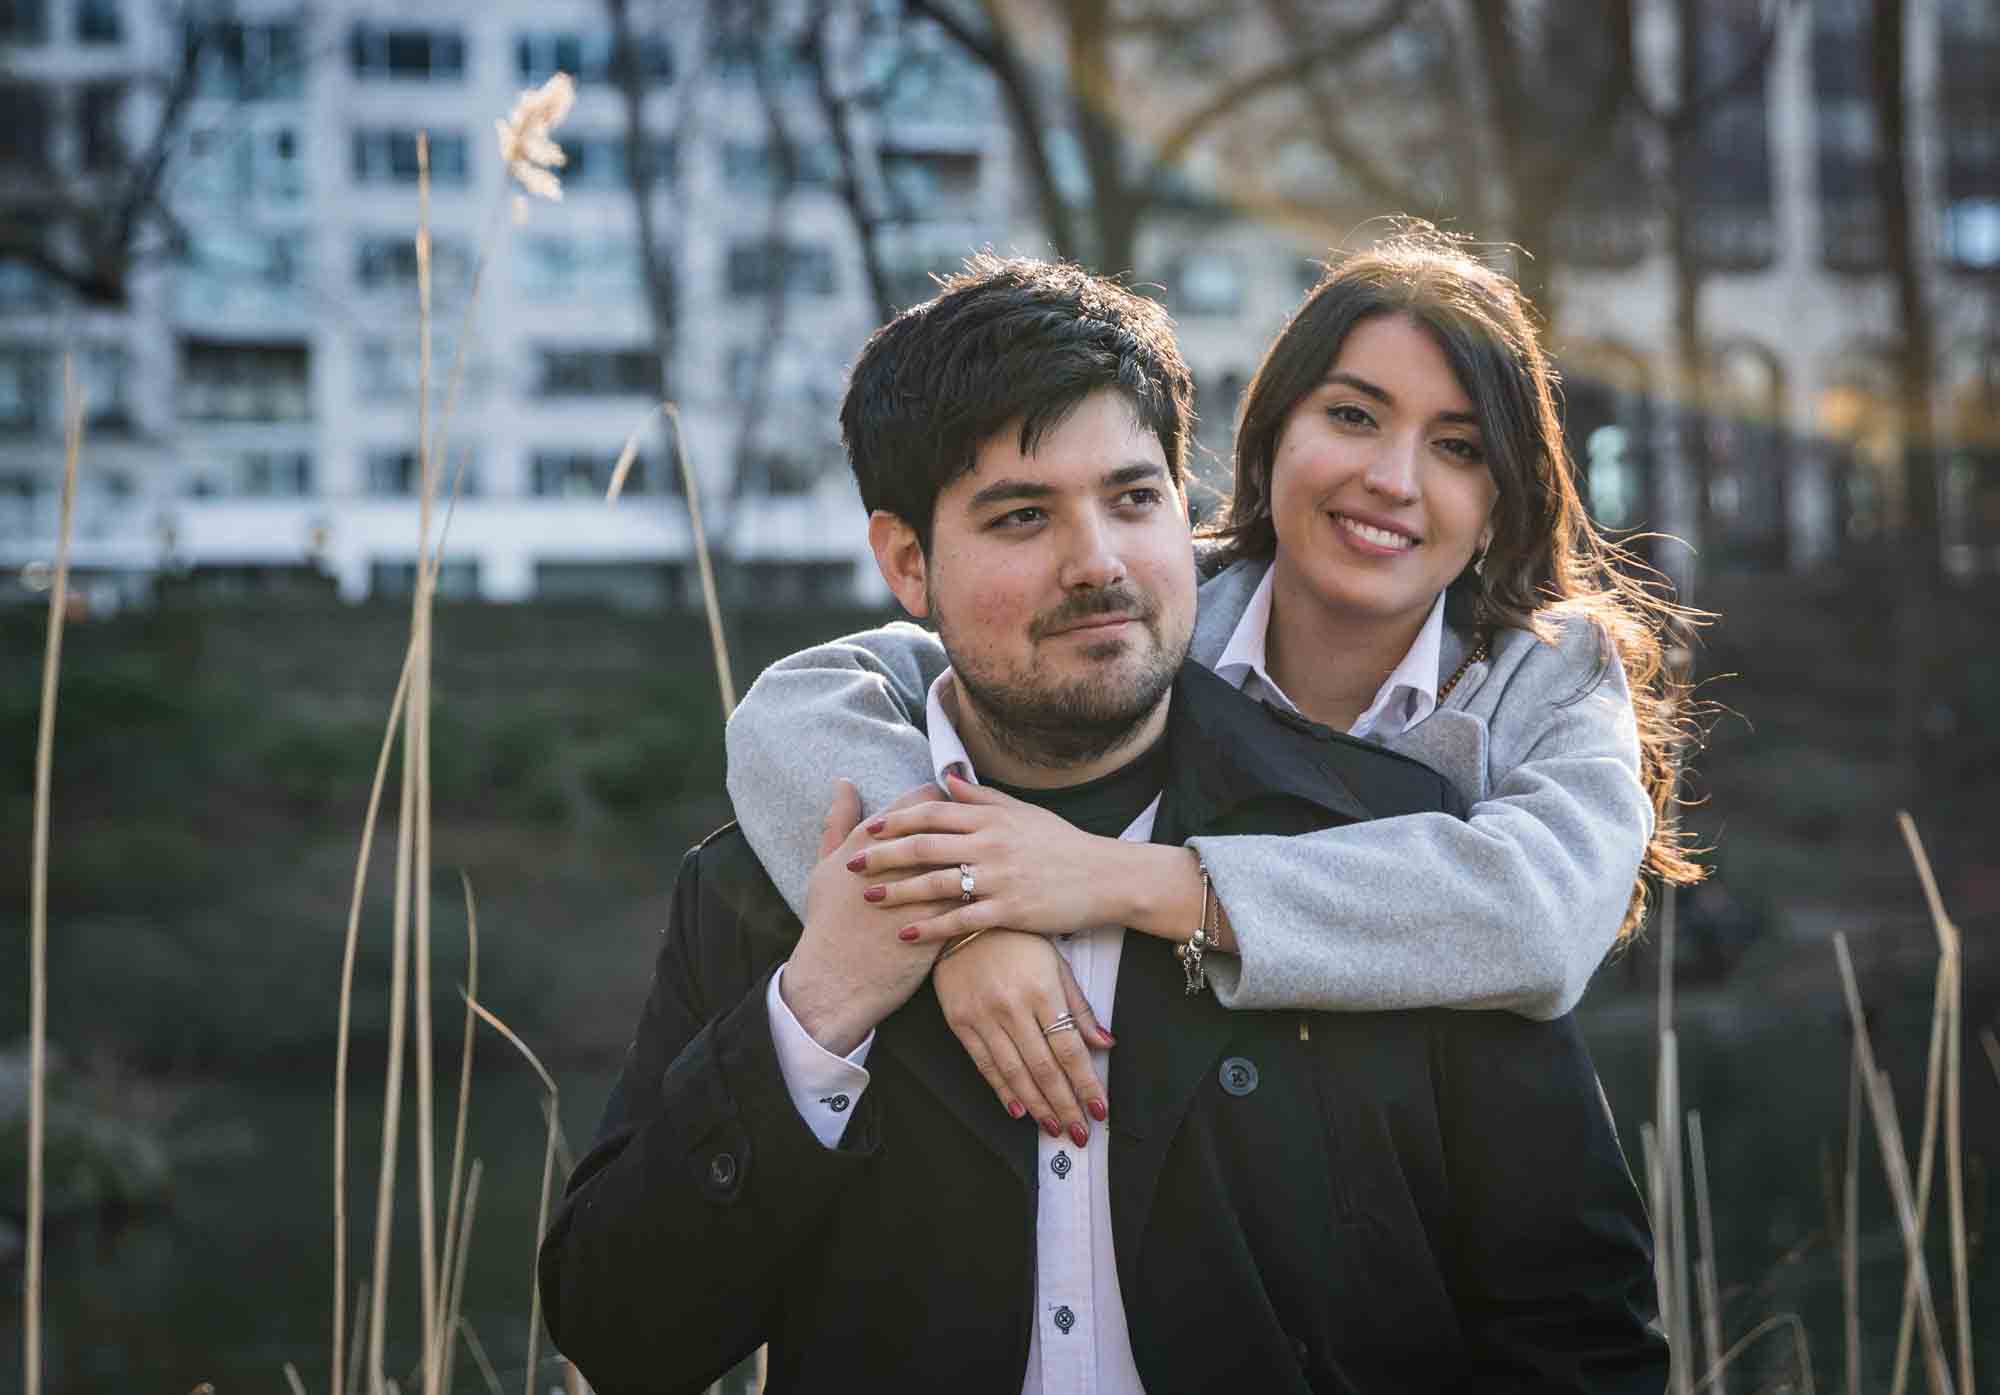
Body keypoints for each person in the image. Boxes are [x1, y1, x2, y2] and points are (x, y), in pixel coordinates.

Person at [540, 254, 1665, 1393]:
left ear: (1183, 510)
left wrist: (1153, 888)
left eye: (1133, 500)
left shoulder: (1397, 849)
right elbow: (619, 1334)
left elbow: (1576, 1335)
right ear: (906, 563)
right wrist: (829, 1002)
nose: (1098, 565)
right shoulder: (774, 884)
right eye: (1022, 516)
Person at [724, 228, 1699, 1147]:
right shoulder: (1147, 611)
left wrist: (1122, 880)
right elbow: (802, 705)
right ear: (1268, 438)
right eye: (1352, 416)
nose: (1392, 479)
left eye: (1457, 446)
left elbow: (1534, 920)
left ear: (1496, 504)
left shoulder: (1550, 676)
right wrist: (958, 919)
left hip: (1440, 1162)